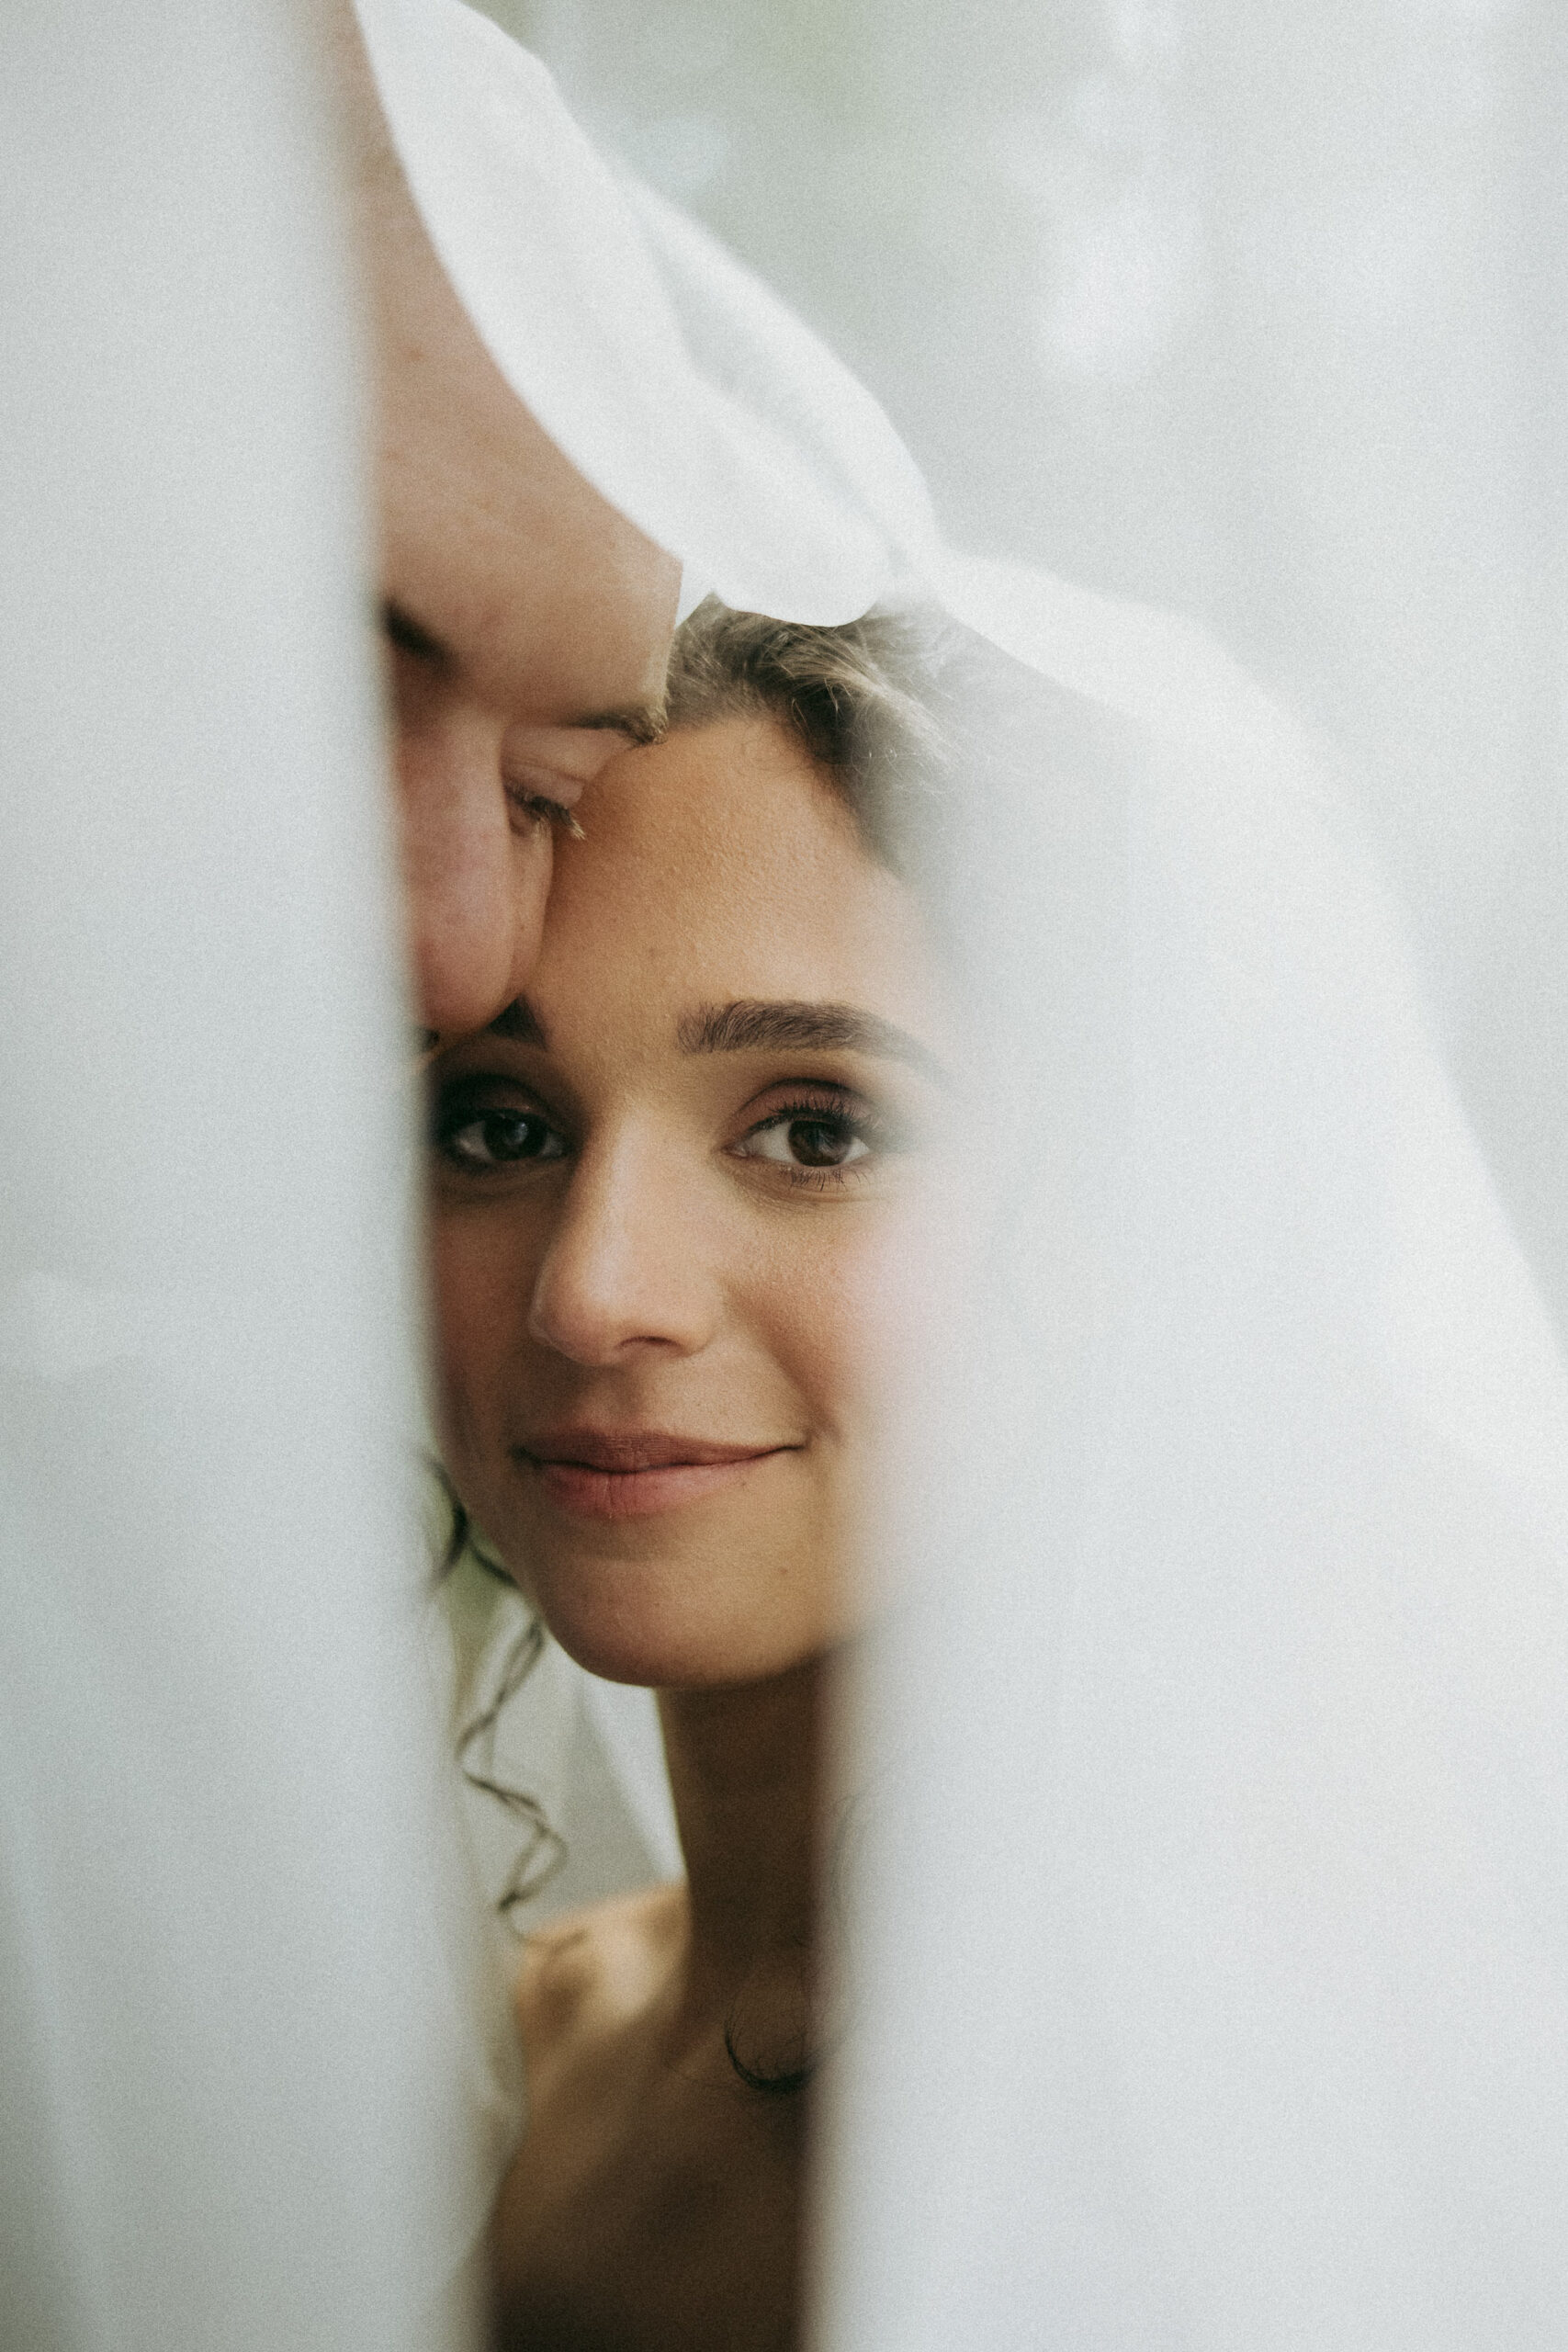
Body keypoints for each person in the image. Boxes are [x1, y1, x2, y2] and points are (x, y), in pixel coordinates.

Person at [424, 599, 965, 2349]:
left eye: (819, 1129)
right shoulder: (513, 2047)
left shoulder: (1227, 2114)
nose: (593, 1291)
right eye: (500, 1123)